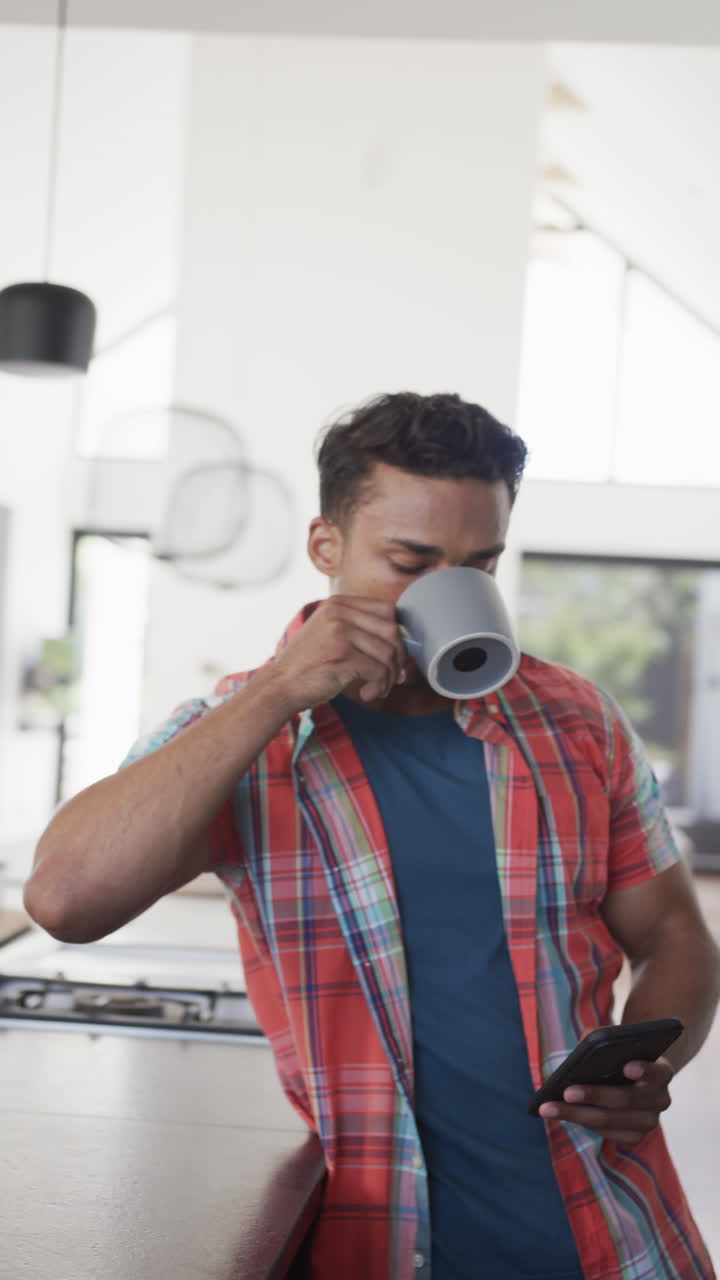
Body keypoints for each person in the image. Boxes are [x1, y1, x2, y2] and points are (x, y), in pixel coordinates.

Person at [25, 392, 719, 1280]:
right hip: (386, 1246)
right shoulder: (244, 734)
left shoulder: (577, 720)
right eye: (409, 562)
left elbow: (675, 933)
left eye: (479, 564)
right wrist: (277, 690)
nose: (447, 592)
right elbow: (66, 899)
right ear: (327, 547)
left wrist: (652, 1064)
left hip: (620, 1237)